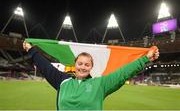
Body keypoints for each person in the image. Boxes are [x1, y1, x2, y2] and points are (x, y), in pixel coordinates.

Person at [23, 41, 159, 110]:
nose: (83, 67)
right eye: (80, 63)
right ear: (75, 64)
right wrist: (31, 49)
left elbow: (122, 73)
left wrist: (145, 58)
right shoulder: (62, 81)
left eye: (87, 64)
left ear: (91, 67)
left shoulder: (100, 84)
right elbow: (45, 66)